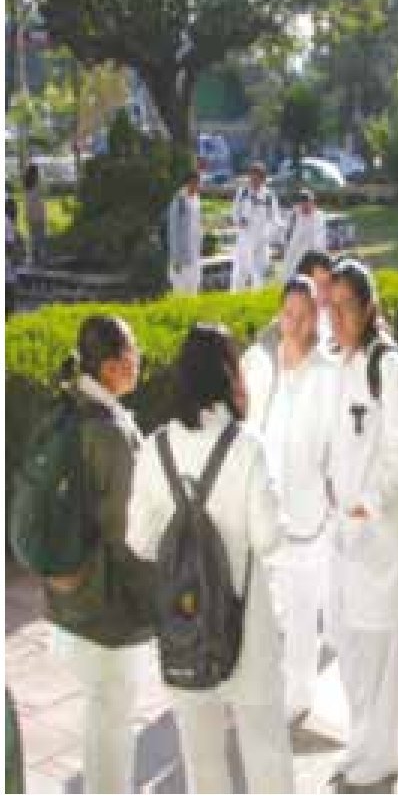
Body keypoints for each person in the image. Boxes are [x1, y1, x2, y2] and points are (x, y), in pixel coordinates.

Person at [127, 324, 295, 793]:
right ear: (228, 376)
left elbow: (138, 540)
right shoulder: (246, 447)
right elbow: (269, 539)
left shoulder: (155, 447)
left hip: (185, 623)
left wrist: (181, 546)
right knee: (265, 751)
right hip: (247, 623)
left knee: (200, 760)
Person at [325, 259, 398, 790]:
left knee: (382, 651)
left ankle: (386, 754)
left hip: (383, 531)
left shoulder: (387, 366)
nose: (337, 318)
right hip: (346, 532)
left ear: (369, 308)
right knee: (349, 643)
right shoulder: (341, 362)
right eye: (331, 307)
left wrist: (368, 502)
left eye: (346, 308)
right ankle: (363, 743)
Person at [46, 316, 153, 794]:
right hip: (107, 601)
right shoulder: (109, 431)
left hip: (70, 588)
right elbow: (126, 530)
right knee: (113, 714)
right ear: (110, 367)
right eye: (133, 353)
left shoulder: (70, 407)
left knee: (99, 710)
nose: (139, 359)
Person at [244, 276, 337, 722]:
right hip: (266, 505)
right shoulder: (263, 366)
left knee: (302, 610)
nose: (295, 324)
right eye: (288, 314)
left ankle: (298, 695)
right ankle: (264, 684)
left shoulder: (328, 374)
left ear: (316, 317)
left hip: (309, 512)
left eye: (304, 315)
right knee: (266, 608)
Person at [231, 162, 282, 291]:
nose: (254, 181)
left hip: (262, 238)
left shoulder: (269, 196)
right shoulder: (243, 193)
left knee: (259, 270)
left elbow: (275, 218)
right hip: (245, 236)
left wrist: (271, 233)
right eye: (252, 177)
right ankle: (236, 294)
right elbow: (234, 212)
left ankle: (257, 294)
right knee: (241, 268)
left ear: (263, 178)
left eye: (257, 178)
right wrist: (239, 221)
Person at [167, 169, 203, 294]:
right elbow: (173, 229)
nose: (197, 186)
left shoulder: (197, 199)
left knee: (194, 286)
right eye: (195, 183)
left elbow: (197, 224)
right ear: (188, 182)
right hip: (181, 254)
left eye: (198, 183)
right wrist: (175, 257)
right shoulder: (179, 200)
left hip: (194, 252)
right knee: (180, 289)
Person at [283, 189, 328, 282]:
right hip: (294, 252)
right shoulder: (294, 215)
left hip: (313, 253)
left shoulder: (319, 216)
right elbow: (288, 234)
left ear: (312, 203)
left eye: (307, 202)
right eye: (302, 202)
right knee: (290, 275)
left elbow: (319, 239)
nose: (305, 205)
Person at [23, 163, 46, 266]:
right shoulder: (33, 187)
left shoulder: (28, 187)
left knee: (35, 236)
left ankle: (36, 256)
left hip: (33, 215)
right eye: (37, 172)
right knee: (39, 237)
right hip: (37, 215)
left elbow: (29, 203)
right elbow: (34, 202)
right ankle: (39, 258)